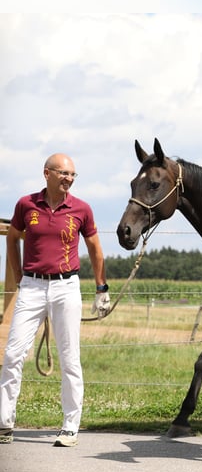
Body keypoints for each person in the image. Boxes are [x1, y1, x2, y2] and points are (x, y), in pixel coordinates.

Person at [0, 153, 110, 446]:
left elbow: (96, 249)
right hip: (32, 287)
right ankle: (4, 422)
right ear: (46, 173)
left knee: (69, 357)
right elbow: (12, 238)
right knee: (13, 355)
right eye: (63, 173)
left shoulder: (81, 209)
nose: (69, 179)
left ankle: (70, 426)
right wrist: (19, 275)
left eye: (73, 175)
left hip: (66, 287)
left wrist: (102, 289)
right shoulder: (26, 205)